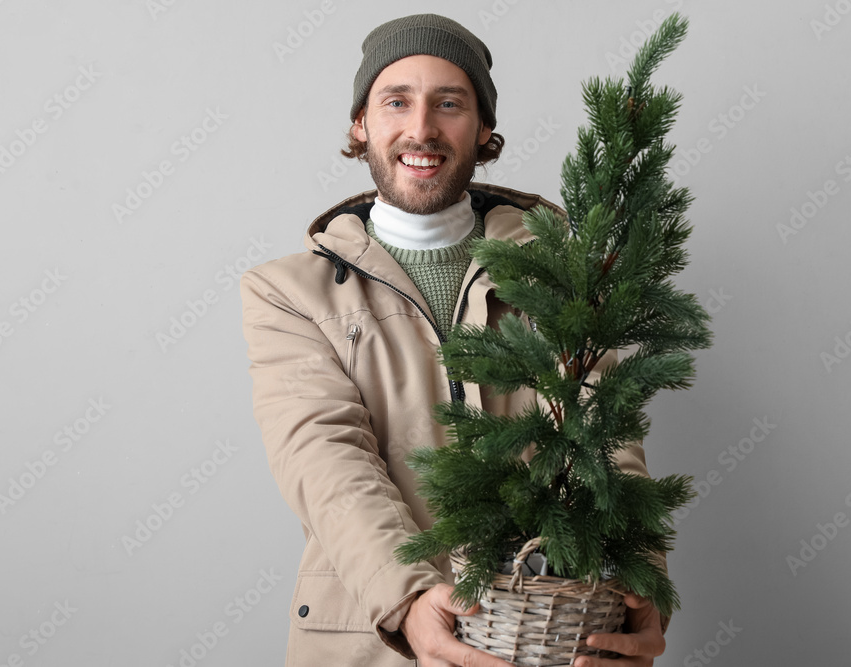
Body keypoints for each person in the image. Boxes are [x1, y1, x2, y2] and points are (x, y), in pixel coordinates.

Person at [241, 13, 668, 667]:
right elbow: (327, 463)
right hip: (370, 640)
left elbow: (607, 445)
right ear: (361, 124)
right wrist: (410, 600)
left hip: (541, 636)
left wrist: (642, 584)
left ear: (485, 129)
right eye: (396, 101)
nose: (421, 129)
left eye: (450, 103)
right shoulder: (290, 293)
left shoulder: (560, 277)